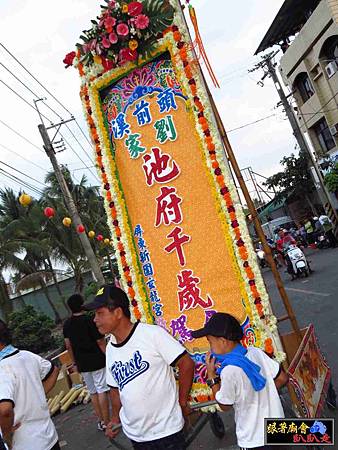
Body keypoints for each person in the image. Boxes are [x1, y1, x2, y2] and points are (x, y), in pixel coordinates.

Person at [85, 285, 195, 450]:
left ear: (118, 312)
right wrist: (115, 419)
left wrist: (182, 401)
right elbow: (115, 389)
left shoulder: (151, 334)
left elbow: (186, 363)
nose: (95, 319)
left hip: (167, 432)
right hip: (137, 436)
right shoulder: (110, 348)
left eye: (100, 313)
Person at [191, 313, 288, 450]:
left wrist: (212, 378)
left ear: (223, 341)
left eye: (210, 341)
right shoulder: (255, 352)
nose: (210, 347)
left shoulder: (229, 370)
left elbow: (225, 405)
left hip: (254, 438)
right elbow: (282, 378)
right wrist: (263, 396)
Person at [0, 320, 60, 450]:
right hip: (49, 436)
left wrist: (7, 435)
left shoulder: (3, 369)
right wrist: (38, 395)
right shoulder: (27, 355)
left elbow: (4, 410)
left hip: (26, 443)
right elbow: (54, 369)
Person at [63, 293, 110, 431]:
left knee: (93, 392)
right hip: (97, 360)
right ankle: (107, 422)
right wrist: (108, 355)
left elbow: (68, 346)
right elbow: (100, 341)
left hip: (82, 363)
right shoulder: (90, 320)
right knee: (102, 390)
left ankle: (101, 421)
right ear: (82, 304)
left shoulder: (67, 324)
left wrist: (74, 362)